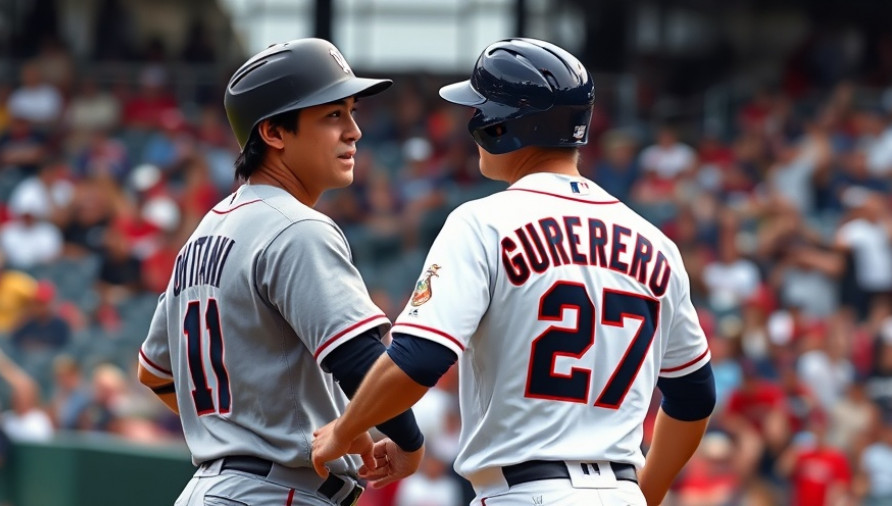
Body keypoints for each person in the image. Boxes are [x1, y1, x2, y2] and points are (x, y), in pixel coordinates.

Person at [312, 38, 716, 506]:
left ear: (504, 126)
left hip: (524, 492)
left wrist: (345, 429)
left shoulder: (483, 222)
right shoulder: (656, 244)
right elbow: (693, 397)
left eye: (480, 110)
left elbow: (418, 360)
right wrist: (646, 494)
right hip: (619, 489)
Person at [137, 38, 425, 506]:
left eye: (352, 112)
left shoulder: (204, 234)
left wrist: (253, 427)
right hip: (275, 492)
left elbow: (155, 372)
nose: (353, 131)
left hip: (216, 488)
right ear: (273, 133)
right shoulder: (297, 227)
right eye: (333, 115)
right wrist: (409, 444)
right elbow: (358, 359)